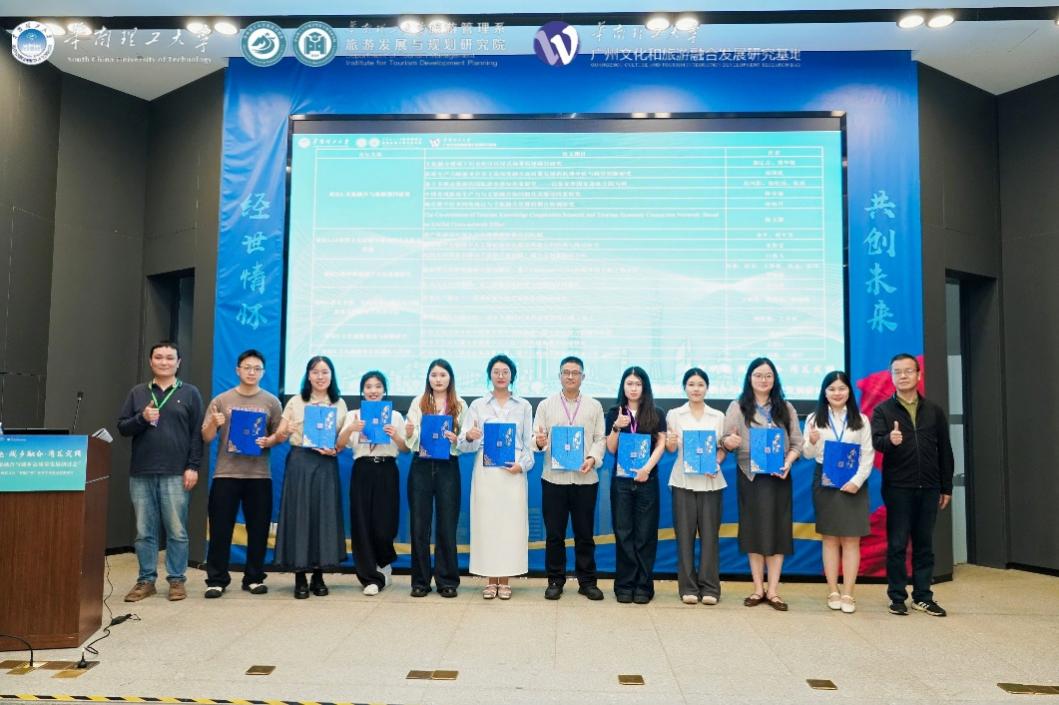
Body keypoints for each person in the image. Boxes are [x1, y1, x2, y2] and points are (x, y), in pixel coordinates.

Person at [117, 340, 204, 602]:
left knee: (176, 530)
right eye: (158, 357)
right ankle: (146, 580)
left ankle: (176, 580)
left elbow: (196, 434)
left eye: (169, 358)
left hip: (176, 472)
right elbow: (123, 428)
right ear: (150, 361)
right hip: (142, 471)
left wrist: (193, 466)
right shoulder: (138, 393)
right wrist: (142, 418)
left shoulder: (190, 393)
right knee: (144, 531)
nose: (164, 362)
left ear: (178, 363)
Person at [871, 353, 954, 617]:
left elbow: (945, 450)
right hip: (898, 487)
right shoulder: (883, 410)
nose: (903, 376)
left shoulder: (934, 411)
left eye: (908, 371)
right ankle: (897, 596)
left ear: (918, 375)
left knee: (924, 544)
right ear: (891, 376)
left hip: (929, 487)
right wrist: (890, 440)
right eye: (897, 372)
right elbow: (876, 442)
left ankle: (923, 596)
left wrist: (946, 486)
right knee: (897, 544)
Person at [200, 349, 285, 598]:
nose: (251, 372)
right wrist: (213, 423)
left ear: (263, 372)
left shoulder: (271, 402)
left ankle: (254, 577)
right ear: (238, 370)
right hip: (226, 474)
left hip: (259, 476)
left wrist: (270, 441)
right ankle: (217, 579)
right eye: (247, 367)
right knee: (220, 529)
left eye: (257, 368)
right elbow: (206, 437)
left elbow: (278, 436)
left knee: (258, 530)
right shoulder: (221, 400)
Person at [722, 357, 802, 612]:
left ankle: (774, 590)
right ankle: (758, 588)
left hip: (779, 477)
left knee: (778, 531)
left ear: (774, 379)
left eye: (768, 375)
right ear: (750, 378)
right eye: (758, 375)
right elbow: (725, 439)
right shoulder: (738, 406)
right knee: (753, 531)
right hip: (750, 477)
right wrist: (729, 442)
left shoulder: (785, 407)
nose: (763, 380)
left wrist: (788, 462)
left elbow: (797, 443)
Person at [460, 354, 535, 600]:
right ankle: (490, 580)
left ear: (512, 375)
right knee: (487, 525)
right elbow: (464, 444)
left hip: (513, 473)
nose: (501, 376)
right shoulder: (477, 405)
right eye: (496, 372)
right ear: (489, 375)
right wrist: (469, 436)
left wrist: (521, 465)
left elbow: (529, 445)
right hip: (486, 473)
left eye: (505, 372)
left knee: (510, 526)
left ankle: (505, 580)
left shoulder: (523, 406)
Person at [532, 356, 606, 601]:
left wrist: (592, 458)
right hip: (554, 480)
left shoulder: (594, 406)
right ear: (560, 376)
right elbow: (536, 438)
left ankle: (587, 582)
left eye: (575, 373)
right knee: (555, 535)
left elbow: (600, 439)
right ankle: (555, 580)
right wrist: (539, 442)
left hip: (585, 479)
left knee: (585, 534)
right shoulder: (545, 405)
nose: (571, 376)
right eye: (566, 372)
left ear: (583, 377)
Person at [274, 356, 348, 599]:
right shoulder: (296, 401)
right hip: (300, 461)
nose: (320, 376)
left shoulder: (339, 404)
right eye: (315, 372)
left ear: (331, 375)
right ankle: (300, 575)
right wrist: (285, 431)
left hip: (326, 463)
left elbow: (342, 441)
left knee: (323, 516)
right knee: (300, 514)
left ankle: (318, 574)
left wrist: (335, 449)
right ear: (308, 375)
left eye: (325, 372)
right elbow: (280, 436)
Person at [801, 370, 874, 614]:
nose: (837, 393)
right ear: (825, 393)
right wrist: (812, 441)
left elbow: (868, 454)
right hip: (825, 480)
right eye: (832, 389)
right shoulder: (814, 418)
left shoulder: (861, 420)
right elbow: (808, 454)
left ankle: (849, 593)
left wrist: (857, 481)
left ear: (849, 392)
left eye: (841, 388)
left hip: (854, 483)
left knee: (852, 539)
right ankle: (833, 590)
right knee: (830, 538)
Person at [336, 370, 407, 596]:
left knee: (385, 525)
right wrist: (350, 429)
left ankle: (384, 563)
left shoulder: (395, 415)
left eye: (377, 386)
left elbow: (406, 448)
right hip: (363, 470)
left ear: (384, 390)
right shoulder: (353, 415)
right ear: (362, 391)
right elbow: (339, 445)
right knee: (362, 523)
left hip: (387, 469)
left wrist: (395, 436)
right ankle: (369, 577)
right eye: (368, 387)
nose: (373, 391)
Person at [403, 359, 468, 598]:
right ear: (428, 378)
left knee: (447, 525)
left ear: (450, 378)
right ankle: (420, 581)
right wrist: (410, 433)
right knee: (419, 525)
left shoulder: (460, 404)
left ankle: (447, 580)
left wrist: (457, 439)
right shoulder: (418, 402)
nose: (438, 379)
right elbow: (410, 436)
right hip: (421, 465)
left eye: (443, 375)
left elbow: (465, 441)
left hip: (448, 466)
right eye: (434, 375)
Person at [665, 367, 727, 605]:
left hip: (711, 482)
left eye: (700, 385)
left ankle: (710, 588)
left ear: (707, 388)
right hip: (683, 482)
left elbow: (722, 449)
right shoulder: (674, 414)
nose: (696, 389)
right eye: (691, 384)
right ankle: (688, 587)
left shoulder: (717, 416)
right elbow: (671, 449)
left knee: (710, 537)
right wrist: (670, 442)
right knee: (684, 537)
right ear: (684, 388)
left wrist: (716, 463)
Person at [605, 366, 667, 604]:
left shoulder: (656, 412)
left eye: (638, 384)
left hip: (647, 480)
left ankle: (643, 586)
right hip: (621, 481)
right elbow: (611, 449)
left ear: (645, 387)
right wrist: (617, 426)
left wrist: (646, 469)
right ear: (623, 386)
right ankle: (624, 585)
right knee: (623, 533)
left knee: (645, 535)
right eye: (629, 384)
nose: (633, 388)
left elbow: (661, 445)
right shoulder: (615, 412)